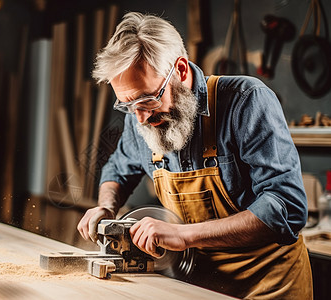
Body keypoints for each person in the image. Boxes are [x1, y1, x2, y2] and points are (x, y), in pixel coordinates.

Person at [77, 12, 312, 299]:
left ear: (181, 70)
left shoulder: (246, 100)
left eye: (148, 99)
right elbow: (117, 168)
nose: (140, 117)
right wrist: (106, 208)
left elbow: (286, 208)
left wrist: (183, 235)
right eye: (127, 105)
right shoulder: (138, 116)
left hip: (269, 284)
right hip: (201, 285)